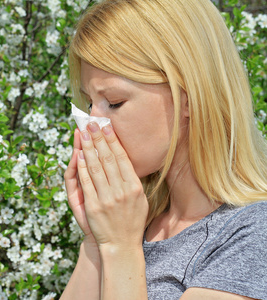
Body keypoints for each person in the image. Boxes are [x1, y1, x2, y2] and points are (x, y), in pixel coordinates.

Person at [61, 0, 267, 299]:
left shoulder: (252, 234)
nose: (92, 125)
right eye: (90, 103)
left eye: (114, 102)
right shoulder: (135, 223)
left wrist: (119, 248)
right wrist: (95, 242)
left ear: (188, 98)